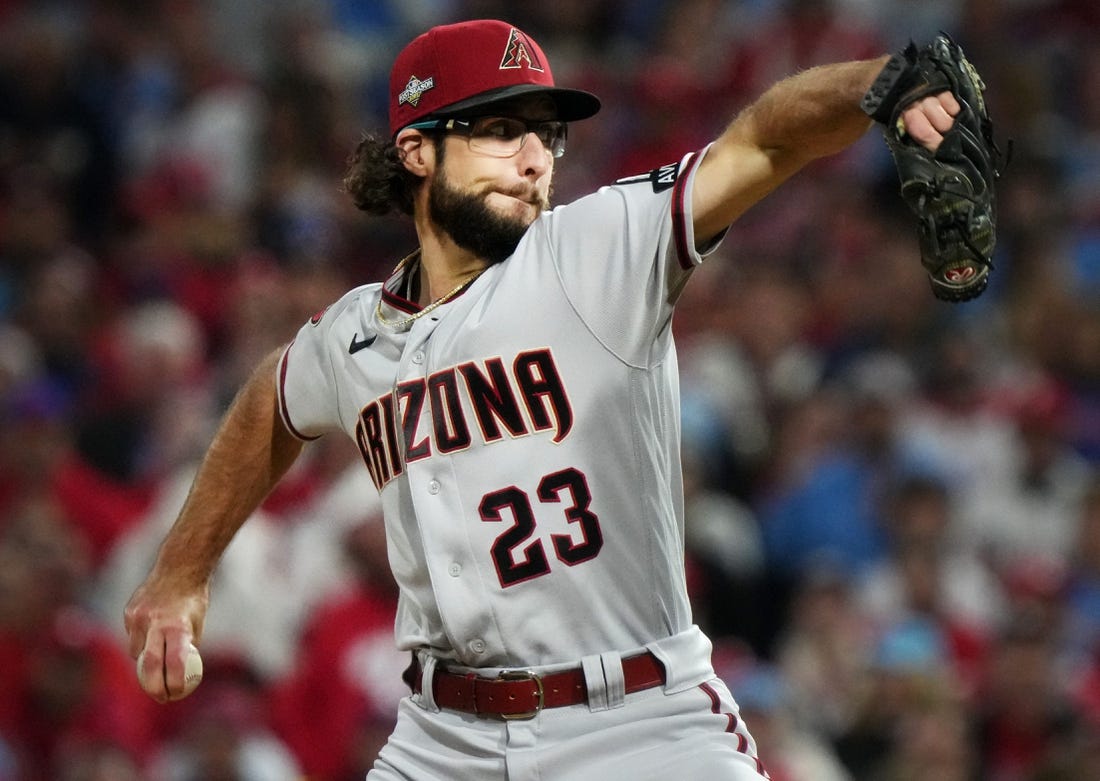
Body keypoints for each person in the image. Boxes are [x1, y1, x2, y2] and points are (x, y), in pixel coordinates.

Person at [124, 18, 962, 780]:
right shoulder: (352, 337)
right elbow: (272, 398)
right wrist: (179, 573)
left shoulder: (594, 250)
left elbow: (765, 143)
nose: (534, 158)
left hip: (636, 722)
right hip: (440, 737)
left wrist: (875, 83)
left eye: (546, 133)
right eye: (499, 130)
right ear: (416, 151)